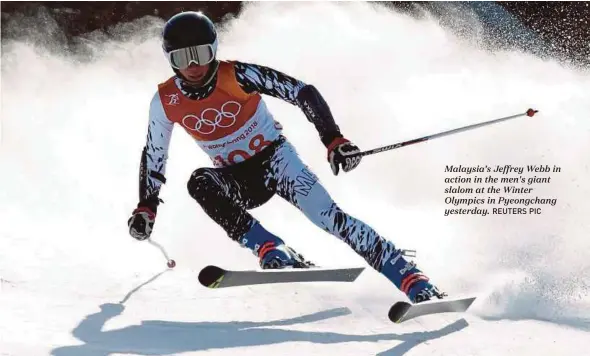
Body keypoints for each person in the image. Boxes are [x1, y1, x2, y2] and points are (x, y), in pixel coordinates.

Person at [127, 11, 446, 304]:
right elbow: (155, 153)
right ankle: (270, 247)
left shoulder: (238, 75)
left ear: (215, 50)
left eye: (201, 54)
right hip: (237, 180)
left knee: (333, 220)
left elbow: (301, 92)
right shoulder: (165, 101)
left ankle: (412, 279)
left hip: (277, 162)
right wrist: (147, 207)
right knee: (199, 182)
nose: (193, 66)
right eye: (182, 57)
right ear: (170, 60)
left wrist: (333, 139)